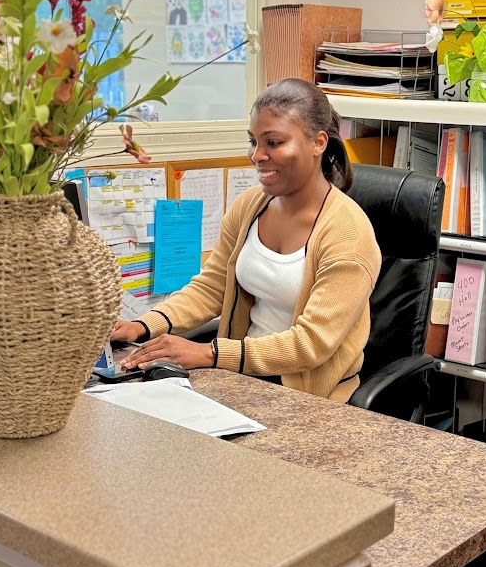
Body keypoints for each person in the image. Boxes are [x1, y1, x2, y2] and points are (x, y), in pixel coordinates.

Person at [113, 79, 381, 402]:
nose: (257, 156)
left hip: (311, 397)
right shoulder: (250, 206)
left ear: (318, 142)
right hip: (243, 380)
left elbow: (311, 344)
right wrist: (141, 326)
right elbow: (211, 287)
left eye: (273, 142)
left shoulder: (348, 234)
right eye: (253, 141)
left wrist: (209, 354)